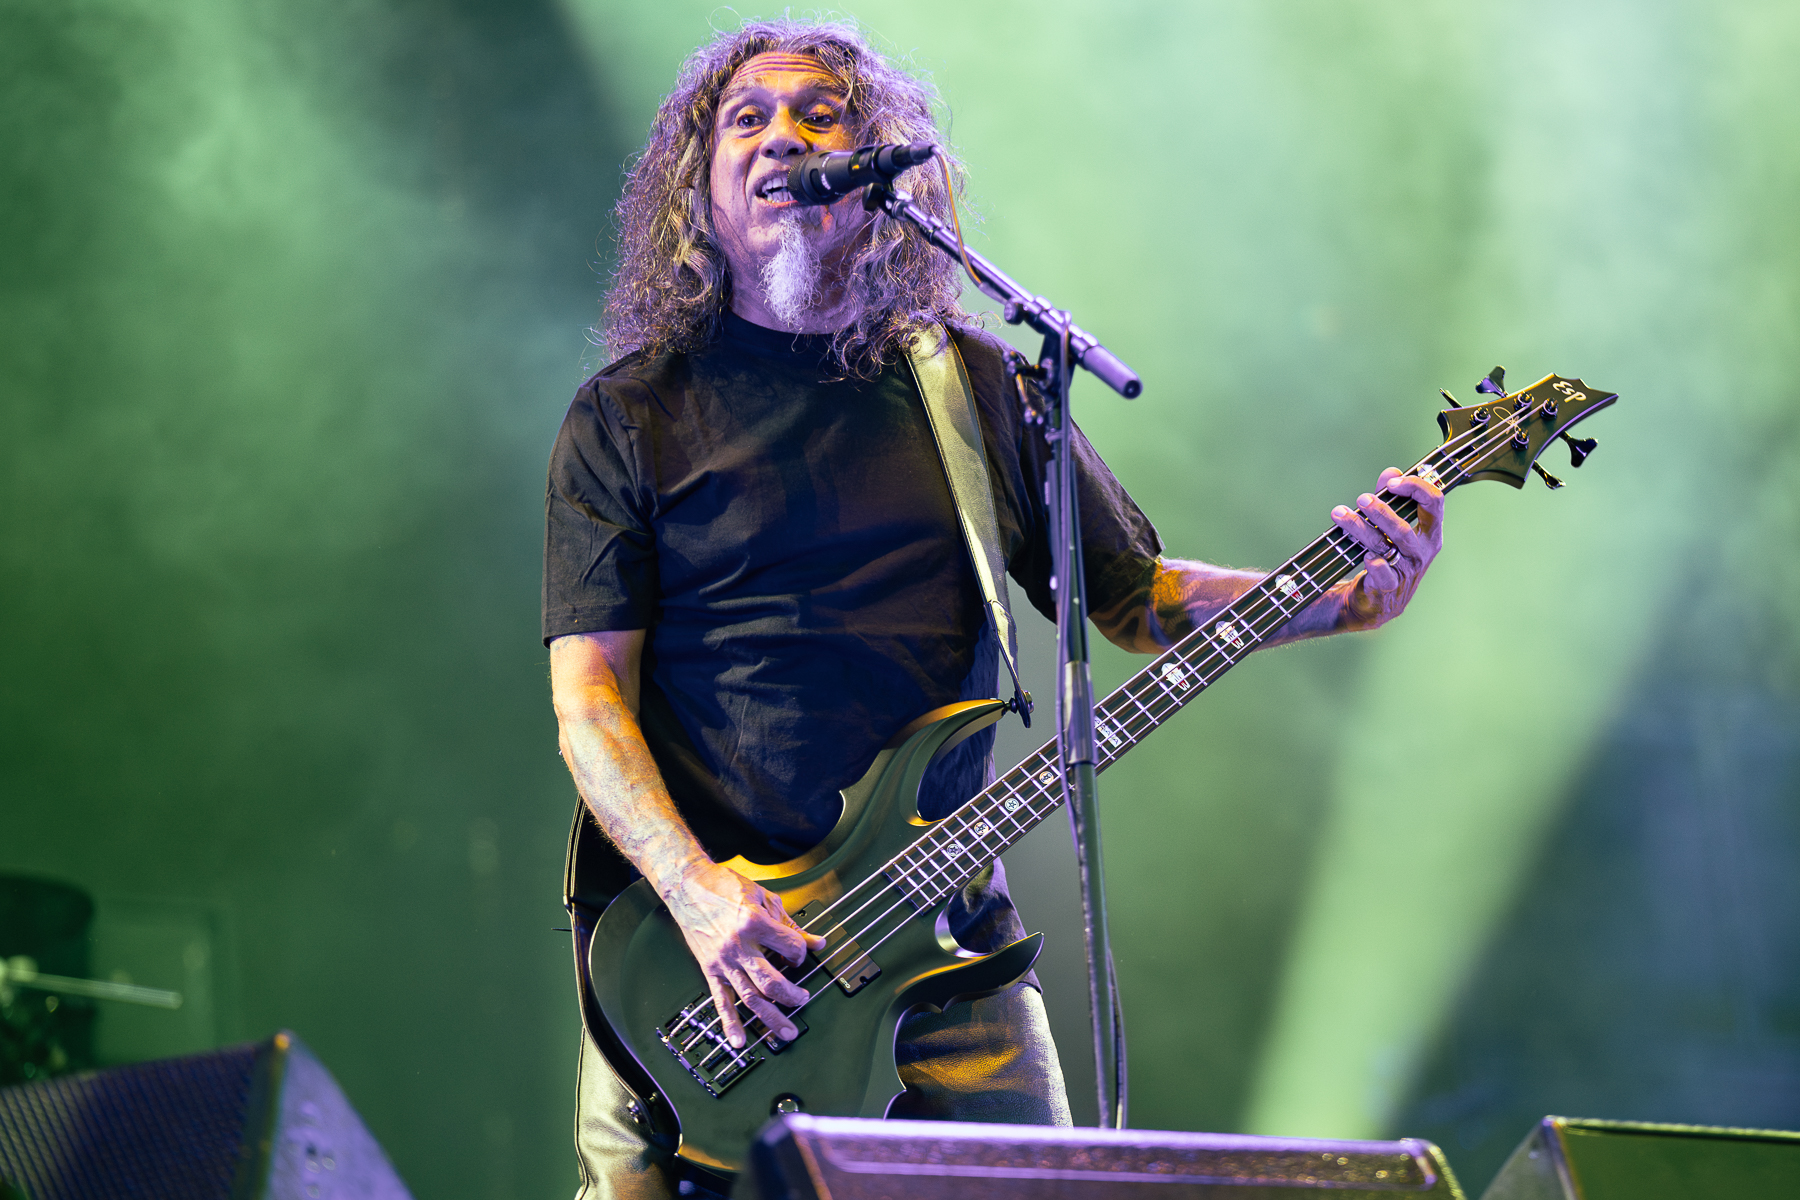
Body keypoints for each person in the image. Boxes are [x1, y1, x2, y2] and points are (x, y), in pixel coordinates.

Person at [543, 18, 1443, 1199]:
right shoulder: (630, 414)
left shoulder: (973, 389)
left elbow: (1138, 599)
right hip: (700, 953)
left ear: (881, 178)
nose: (785, 138)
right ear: (696, 191)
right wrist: (696, 892)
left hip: (944, 934)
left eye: (821, 115)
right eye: (746, 120)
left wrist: (1338, 601)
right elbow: (590, 701)